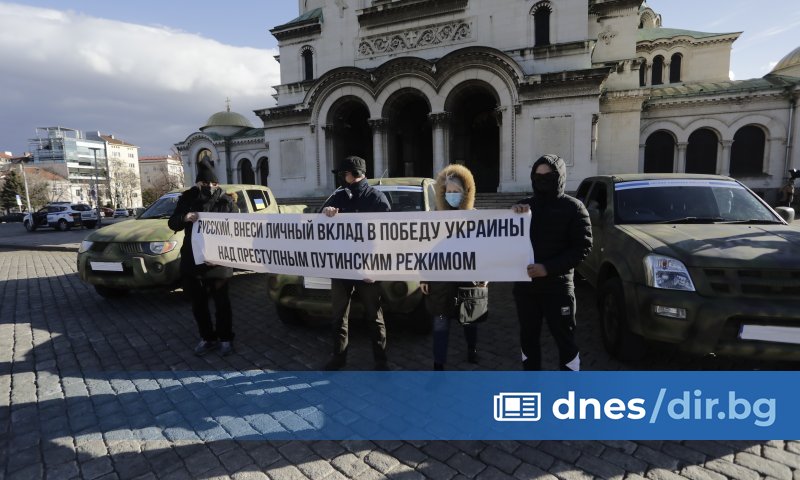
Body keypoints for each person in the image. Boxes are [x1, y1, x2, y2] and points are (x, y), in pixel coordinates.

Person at [511, 154, 592, 371]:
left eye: (548, 175)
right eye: (537, 176)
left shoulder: (574, 208)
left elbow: (581, 248)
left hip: (558, 288)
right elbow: (507, 241)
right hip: (526, 290)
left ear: (559, 177)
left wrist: (547, 268)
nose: (542, 179)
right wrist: (512, 216)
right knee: (528, 339)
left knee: (565, 340)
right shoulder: (523, 207)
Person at [321, 155, 392, 370]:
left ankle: (381, 361)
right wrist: (326, 212)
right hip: (342, 265)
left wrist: (377, 268)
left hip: (368, 268)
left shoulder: (377, 198)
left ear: (352, 175)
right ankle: (338, 358)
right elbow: (318, 223)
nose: (342, 178)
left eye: (344, 174)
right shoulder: (338, 196)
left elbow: (388, 236)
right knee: (339, 316)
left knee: (374, 316)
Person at [168, 159, 237, 356]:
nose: (208, 187)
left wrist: (219, 255)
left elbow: (236, 232)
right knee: (198, 304)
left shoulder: (227, 201)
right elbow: (173, 224)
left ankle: (225, 339)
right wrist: (184, 217)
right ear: (198, 183)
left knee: (222, 303)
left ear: (217, 183)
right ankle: (207, 337)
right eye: (204, 184)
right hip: (193, 260)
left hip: (218, 261)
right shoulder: (187, 199)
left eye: (212, 184)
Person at [419, 164, 484, 370]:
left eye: (456, 192)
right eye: (449, 192)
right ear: (442, 192)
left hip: (470, 278)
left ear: (466, 193)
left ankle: (472, 349)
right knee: (440, 322)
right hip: (441, 282)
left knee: (470, 320)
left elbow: (488, 249)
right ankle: (438, 362)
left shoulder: (477, 218)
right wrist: (423, 277)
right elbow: (425, 249)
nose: (452, 195)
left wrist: (486, 274)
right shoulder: (435, 219)